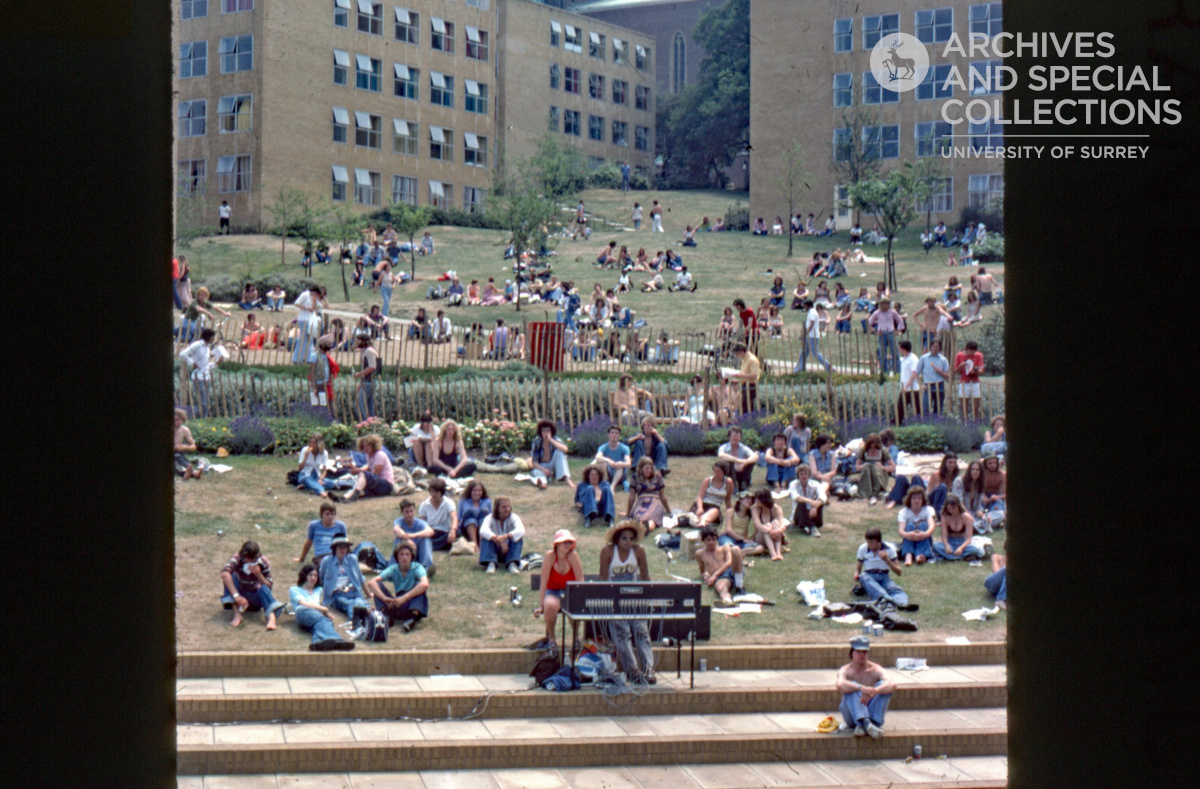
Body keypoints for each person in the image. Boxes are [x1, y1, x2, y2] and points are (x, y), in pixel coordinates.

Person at [599, 520, 655, 682]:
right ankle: (633, 670)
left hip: (634, 598)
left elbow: (645, 575)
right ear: (617, 539)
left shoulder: (638, 551)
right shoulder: (608, 551)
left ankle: (649, 669)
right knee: (622, 632)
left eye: (631, 538)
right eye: (624, 538)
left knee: (641, 630)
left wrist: (648, 596)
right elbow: (603, 578)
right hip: (614, 599)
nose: (628, 542)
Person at [836, 635, 896, 739]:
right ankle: (865, 723)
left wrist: (875, 691)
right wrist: (861, 688)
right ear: (852, 653)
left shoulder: (875, 669)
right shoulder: (845, 669)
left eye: (864, 651)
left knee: (883, 685)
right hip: (852, 717)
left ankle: (865, 725)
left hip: (873, 715)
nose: (862, 654)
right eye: (858, 651)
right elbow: (840, 684)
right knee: (851, 686)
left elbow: (892, 683)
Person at [532, 529, 583, 650]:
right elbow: (543, 581)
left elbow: (580, 578)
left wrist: (581, 597)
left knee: (574, 605)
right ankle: (552, 639)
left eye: (569, 542)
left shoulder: (573, 556)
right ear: (557, 544)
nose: (567, 545)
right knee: (550, 604)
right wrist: (541, 605)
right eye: (564, 542)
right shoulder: (550, 556)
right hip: (553, 591)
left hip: (570, 591)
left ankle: (575, 638)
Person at [367, 540, 430, 633]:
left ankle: (412, 620)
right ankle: (387, 617)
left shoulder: (417, 567)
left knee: (420, 587)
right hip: (397, 603)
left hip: (411, 604)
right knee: (378, 585)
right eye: (402, 554)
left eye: (407, 554)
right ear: (397, 557)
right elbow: (371, 583)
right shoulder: (393, 569)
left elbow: (425, 584)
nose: (404, 557)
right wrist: (384, 598)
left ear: (411, 556)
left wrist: (405, 597)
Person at [220, 540, 285, 629]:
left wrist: (258, 575)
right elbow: (224, 574)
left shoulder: (263, 561)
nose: (249, 561)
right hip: (240, 594)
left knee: (263, 588)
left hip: (255, 597)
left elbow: (269, 586)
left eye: (253, 559)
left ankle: (271, 617)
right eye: (247, 559)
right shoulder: (237, 558)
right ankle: (237, 614)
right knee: (230, 577)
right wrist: (237, 596)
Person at [291, 564, 356, 651]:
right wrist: (324, 610)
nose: (313, 578)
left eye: (315, 576)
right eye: (310, 575)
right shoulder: (295, 589)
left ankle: (317, 643)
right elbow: (304, 604)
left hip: (315, 616)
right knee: (323, 621)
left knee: (321, 625)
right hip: (303, 613)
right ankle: (338, 640)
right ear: (304, 575)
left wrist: (325, 613)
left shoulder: (318, 590)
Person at [854, 527, 908, 607]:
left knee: (895, 590)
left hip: (884, 576)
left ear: (879, 541)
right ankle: (885, 597)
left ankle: (902, 603)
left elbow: (899, 572)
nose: (869, 544)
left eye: (872, 542)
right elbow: (858, 567)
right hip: (869, 575)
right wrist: (856, 574)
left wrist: (887, 560)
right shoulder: (863, 548)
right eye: (867, 541)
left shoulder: (889, 549)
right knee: (863, 576)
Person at [179, 327, 224, 418]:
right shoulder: (197, 345)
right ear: (208, 337)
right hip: (198, 377)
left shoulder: (208, 348)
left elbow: (205, 365)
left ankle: (201, 418)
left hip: (206, 377)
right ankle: (198, 418)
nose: (214, 339)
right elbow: (183, 354)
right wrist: (192, 363)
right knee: (203, 402)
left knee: (206, 401)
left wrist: (217, 363)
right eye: (212, 337)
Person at [341, 434, 395, 502]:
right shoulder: (369, 456)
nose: (365, 448)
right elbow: (369, 468)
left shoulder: (379, 454)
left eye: (368, 445)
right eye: (364, 446)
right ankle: (344, 497)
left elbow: (375, 473)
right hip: (378, 485)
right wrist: (356, 470)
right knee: (360, 486)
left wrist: (361, 473)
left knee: (363, 475)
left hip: (386, 485)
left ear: (373, 445)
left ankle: (354, 497)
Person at [933, 494, 984, 562]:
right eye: (949, 509)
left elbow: (969, 538)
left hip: (962, 542)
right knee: (935, 546)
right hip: (950, 542)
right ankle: (961, 557)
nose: (951, 511)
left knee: (975, 549)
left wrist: (961, 548)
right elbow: (944, 536)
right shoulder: (945, 517)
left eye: (953, 508)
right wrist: (947, 546)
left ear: (958, 506)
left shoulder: (966, 517)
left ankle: (950, 557)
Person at [392, 498, 436, 573]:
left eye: (411, 511)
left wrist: (413, 536)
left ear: (415, 511)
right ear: (402, 512)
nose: (410, 514)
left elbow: (430, 531)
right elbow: (396, 530)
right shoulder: (399, 521)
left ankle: (426, 567)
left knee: (426, 539)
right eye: (407, 512)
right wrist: (407, 540)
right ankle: (396, 567)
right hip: (405, 553)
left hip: (418, 552)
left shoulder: (419, 522)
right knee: (399, 539)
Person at [695, 526, 736, 606]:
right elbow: (702, 570)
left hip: (728, 572)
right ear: (703, 541)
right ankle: (727, 601)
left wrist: (714, 575)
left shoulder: (724, 548)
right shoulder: (700, 554)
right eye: (708, 540)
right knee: (720, 586)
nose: (711, 542)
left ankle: (727, 600)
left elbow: (729, 562)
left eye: (714, 539)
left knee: (720, 586)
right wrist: (706, 576)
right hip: (718, 577)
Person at [627, 456, 670, 531]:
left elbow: (662, 495)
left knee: (651, 518)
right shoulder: (635, 478)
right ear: (641, 468)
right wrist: (628, 513)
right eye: (646, 468)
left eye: (650, 468)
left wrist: (669, 511)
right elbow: (632, 497)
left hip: (655, 501)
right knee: (638, 517)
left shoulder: (657, 476)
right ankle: (637, 528)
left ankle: (645, 529)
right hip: (642, 502)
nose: (649, 471)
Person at [897, 486, 937, 566]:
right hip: (909, 538)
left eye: (919, 498)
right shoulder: (903, 512)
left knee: (923, 524)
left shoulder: (929, 510)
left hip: (924, 537)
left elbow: (932, 525)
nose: (917, 500)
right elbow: (901, 530)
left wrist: (925, 534)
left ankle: (920, 555)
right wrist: (908, 535)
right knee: (909, 526)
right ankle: (908, 556)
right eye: (914, 498)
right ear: (910, 499)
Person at [529, 419, 574, 489]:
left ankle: (566, 479)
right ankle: (543, 482)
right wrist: (544, 470)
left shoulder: (555, 439)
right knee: (536, 471)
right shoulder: (537, 442)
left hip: (553, 464)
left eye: (548, 431)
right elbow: (534, 462)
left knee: (559, 452)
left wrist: (550, 440)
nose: (546, 433)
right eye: (543, 431)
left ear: (551, 431)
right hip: (542, 465)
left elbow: (565, 449)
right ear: (540, 432)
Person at [418, 478, 460, 553]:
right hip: (431, 532)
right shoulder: (424, 505)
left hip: (444, 532)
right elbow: (421, 523)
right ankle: (440, 545)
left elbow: (454, 518)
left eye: (436, 492)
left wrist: (453, 530)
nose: (433, 494)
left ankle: (430, 545)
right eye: (432, 491)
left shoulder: (448, 502)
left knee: (458, 532)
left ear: (442, 492)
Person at [294, 434, 339, 499]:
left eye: (314, 443)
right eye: (310, 442)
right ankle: (321, 491)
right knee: (307, 480)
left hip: (316, 476)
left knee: (332, 483)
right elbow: (300, 469)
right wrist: (306, 456)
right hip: (305, 475)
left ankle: (308, 486)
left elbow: (324, 470)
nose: (311, 444)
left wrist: (320, 479)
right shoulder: (305, 450)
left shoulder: (324, 453)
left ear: (319, 444)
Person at [853, 433, 893, 505]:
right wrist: (863, 466)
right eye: (870, 447)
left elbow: (893, 467)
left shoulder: (883, 451)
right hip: (867, 476)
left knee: (875, 468)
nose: (872, 448)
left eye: (874, 446)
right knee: (867, 468)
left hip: (880, 475)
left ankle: (877, 493)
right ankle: (865, 493)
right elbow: (857, 467)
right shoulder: (863, 451)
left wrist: (883, 467)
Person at [692, 459, 735, 527]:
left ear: (724, 472)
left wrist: (730, 512)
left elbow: (728, 499)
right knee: (699, 514)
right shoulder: (708, 480)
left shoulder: (728, 482)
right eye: (714, 471)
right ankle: (703, 523)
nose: (716, 474)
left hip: (715, 507)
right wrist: (700, 508)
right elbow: (700, 496)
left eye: (718, 472)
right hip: (703, 504)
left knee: (714, 511)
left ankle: (702, 522)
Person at [717, 425, 758, 494]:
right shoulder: (724, 447)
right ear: (729, 437)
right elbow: (721, 455)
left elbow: (755, 456)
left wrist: (745, 462)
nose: (736, 438)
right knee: (728, 461)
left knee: (751, 462)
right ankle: (733, 485)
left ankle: (743, 485)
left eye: (738, 436)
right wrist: (738, 461)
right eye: (734, 436)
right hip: (729, 472)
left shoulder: (743, 447)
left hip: (741, 470)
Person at [788, 464, 826, 537]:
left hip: (813, 514)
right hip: (799, 516)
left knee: (820, 501)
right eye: (801, 474)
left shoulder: (815, 484)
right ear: (798, 475)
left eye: (806, 474)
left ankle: (809, 526)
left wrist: (815, 506)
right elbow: (795, 496)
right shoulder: (793, 484)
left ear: (809, 475)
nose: (804, 476)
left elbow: (823, 496)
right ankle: (812, 527)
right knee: (802, 502)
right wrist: (810, 501)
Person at [750, 487, 788, 561]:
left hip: (776, 535)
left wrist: (777, 531)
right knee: (767, 526)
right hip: (761, 537)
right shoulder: (755, 509)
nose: (756, 500)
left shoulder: (776, 508)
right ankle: (773, 553)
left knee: (775, 522)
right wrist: (770, 531)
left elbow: (783, 524)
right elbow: (758, 525)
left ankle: (778, 552)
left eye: (758, 499)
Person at [575, 463, 616, 528]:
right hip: (588, 506)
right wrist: (583, 506)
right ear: (588, 476)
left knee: (607, 489)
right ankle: (588, 518)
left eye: (596, 475)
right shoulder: (582, 485)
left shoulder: (605, 484)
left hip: (602, 507)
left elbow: (609, 498)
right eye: (592, 475)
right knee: (590, 488)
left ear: (599, 476)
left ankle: (610, 519)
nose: (594, 477)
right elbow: (576, 501)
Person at [867, 299, 903, 375]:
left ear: (888, 305)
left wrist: (898, 331)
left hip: (890, 332)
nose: (884, 306)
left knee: (895, 353)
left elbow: (900, 320)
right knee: (883, 354)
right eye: (882, 304)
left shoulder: (892, 312)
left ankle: (897, 372)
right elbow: (869, 322)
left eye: (886, 304)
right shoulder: (877, 313)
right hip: (882, 334)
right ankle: (884, 372)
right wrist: (874, 331)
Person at [796, 299, 833, 373]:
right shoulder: (811, 312)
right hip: (809, 336)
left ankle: (828, 366)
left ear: (808, 306)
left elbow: (812, 324)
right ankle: (799, 368)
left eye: (805, 306)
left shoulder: (812, 312)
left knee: (815, 353)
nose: (804, 307)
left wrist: (805, 333)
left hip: (812, 336)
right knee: (804, 352)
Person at [594, 425, 633, 492]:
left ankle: (612, 486)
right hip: (608, 473)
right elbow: (597, 457)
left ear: (619, 435)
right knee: (602, 463)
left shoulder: (624, 448)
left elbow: (628, 463)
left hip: (621, 474)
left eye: (616, 433)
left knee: (620, 466)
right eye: (612, 433)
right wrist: (607, 460)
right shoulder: (603, 447)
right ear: (608, 435)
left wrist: (621, 463)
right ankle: (605, 483)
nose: (614, 435)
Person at [917, 339, 950, 416]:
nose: (935, 348)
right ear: (930, 347)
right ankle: (926, 424)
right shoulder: (923, 358)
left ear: (940, 348)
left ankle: (936, 424)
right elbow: (917, 372)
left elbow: (947, 376)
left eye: (937, 347)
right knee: (926, 407)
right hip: (928, 385)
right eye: (933, 346)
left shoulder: (943, 360)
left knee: (938, 408)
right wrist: (921, 384)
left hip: (940, 384)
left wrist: (940, 371)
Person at [954, 339, 985, 421]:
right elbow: (955, 372)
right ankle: (965, 423)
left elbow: (981, 371)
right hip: (964, 382)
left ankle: (975, 422)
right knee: (964, 406)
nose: (971, 353)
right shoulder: (959, 355)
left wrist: (976, 370)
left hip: (975, 382)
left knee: (975, 407)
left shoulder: (979, 355)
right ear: (966, 349)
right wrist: (960, 366)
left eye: (973, 351)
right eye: (970, 351)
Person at [456, 480, 491, 551]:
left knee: (484, 511)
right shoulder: (463, 501)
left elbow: (491, 518)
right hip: (466, 529)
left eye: (479, 491)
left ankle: (482, 544)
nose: (477, 493)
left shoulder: (487, 501)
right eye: (474, 491)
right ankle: (474, 544)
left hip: (482, 529)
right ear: (470, 491)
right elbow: (458, 518)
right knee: (470, 511)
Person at [352, 335, 379, 421]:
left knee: (358, 404)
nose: (357, 343)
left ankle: (364, 422)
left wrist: (359, 374)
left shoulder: (369, 351)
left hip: (369, 382)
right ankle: (371, 423)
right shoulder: (364, 350)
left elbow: (372, 366)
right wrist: (361, 381)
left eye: (358, 341)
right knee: (369, 405)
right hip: (366, 381)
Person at [729, 343, 760, 413]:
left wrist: (741, 376)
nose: (737, 356)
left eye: (737, 354)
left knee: (747, 405)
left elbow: (755, 374)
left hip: (751, 385)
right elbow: (745, 372)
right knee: (743, 405)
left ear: (741, 351)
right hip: (744, 384)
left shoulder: (752, 360)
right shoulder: (744, 359)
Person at [897, 340, 922, 424]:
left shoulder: (913, 358)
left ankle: (920, 423)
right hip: (905, 388)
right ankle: (897, 422)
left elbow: (914, 373)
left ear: (903, 348)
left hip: (912, 389)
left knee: (916, 407)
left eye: (899, 347)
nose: (898, 349)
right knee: (900, 407)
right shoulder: (904, 358)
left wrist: (906, 386)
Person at [173, 408, 202, 480]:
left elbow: (193, 446)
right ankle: (194, 473)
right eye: (175, 420)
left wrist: (184, 447)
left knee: (179, 457)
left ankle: (188, 473)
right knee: (176, 457)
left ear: (183, 419)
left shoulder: (185, 430)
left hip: (178, 454)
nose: (178, 422)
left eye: (180, 419)